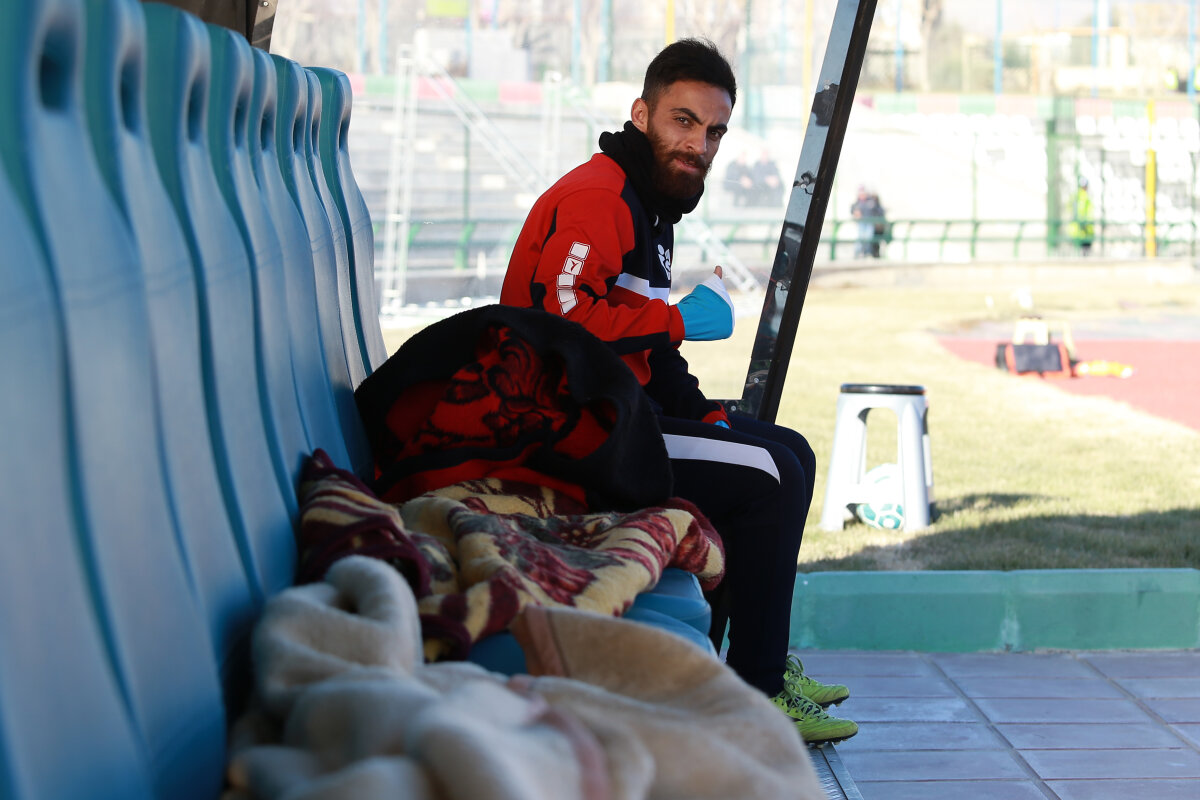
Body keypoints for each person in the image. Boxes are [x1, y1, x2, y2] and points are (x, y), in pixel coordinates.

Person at [499, 37, 857, 745]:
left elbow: (651, 351)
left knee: (790, 451)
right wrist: (678, 319)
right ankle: (755, 691)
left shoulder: (649, 206)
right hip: (568, 429)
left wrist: (703, 413)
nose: (699, 144)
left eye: (714, 130)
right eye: (683, 121)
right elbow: (559, 318)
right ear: (642, 115)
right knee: (770, 475)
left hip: (618, 415)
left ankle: (748, 671)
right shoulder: (600, 195)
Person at [851, 185, 886, 258]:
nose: (862, 195)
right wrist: (855, 212)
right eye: (860, 193)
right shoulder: (857, 203)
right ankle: (859, 254)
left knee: (868, 238)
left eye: (863, 193)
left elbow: (879, 210)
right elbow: (853, 210)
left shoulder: (871, 201)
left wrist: (877, 218)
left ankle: (867, 253)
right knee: (861, 239)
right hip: (861, 223)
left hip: (870, 223)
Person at [1068, 177, 1094, 256]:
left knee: (1080, 252)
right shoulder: (1083, 197)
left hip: (1082, 230)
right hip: (1082, 230)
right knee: (1083, 253)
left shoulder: (1077, 197)